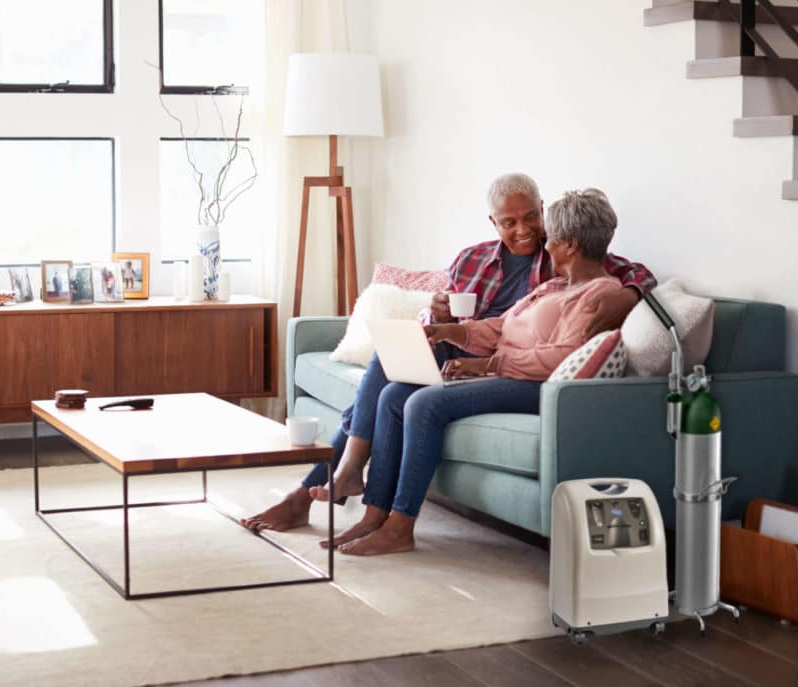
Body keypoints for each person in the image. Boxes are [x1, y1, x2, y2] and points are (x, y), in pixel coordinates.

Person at [239, 173, 656, 533]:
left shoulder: (560, 256)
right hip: (460, 341)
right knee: (392, 359)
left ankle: (329, 485)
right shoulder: (472, 259)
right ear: (494, 222)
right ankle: (344, 479)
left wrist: (631, 294)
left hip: (496, 357)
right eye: (510, 222)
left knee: (395, 392)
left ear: (543, 212)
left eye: (531, 217)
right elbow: (445, 310)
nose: (525, 230)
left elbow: (623, 270)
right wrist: (433, 313)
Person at [337, 188, 625, 555]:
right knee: (395, 395)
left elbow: (561, 356)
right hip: (509, 376)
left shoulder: (599, 294)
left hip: (535, 386)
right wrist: (449, 331)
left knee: (423, 404)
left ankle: (400, 526)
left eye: (549, 237)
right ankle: (374, 513)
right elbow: (499, 327)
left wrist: (490, 364)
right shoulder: (555, 286)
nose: (544, 244)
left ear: (569, 244)